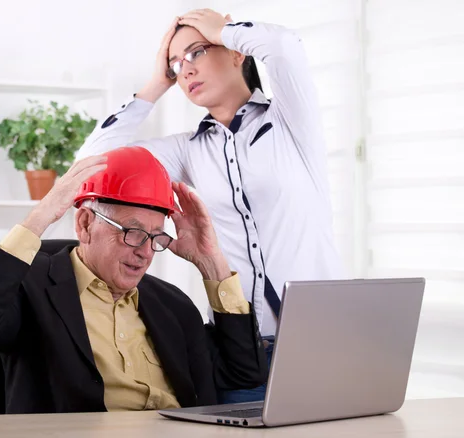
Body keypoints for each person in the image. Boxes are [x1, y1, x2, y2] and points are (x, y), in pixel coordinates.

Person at [76, 9, 344, 403]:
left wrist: (223, 30)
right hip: (240, 349)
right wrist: (155, 84)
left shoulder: (290, 122)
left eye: (196, 52)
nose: (185, 70)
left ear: (237, 52)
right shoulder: (188, 151)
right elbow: (91, 164)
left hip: (323, 341)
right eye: (175, 64)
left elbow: (284, 46)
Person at [0, 146, 267, 414]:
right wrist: (42, 215)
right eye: (133, 233)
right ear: (84, 224)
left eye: (155, 238)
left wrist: (212, 263)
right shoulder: (30, 287)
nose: (145, 253)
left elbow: (243, 373)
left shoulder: (172, 303)